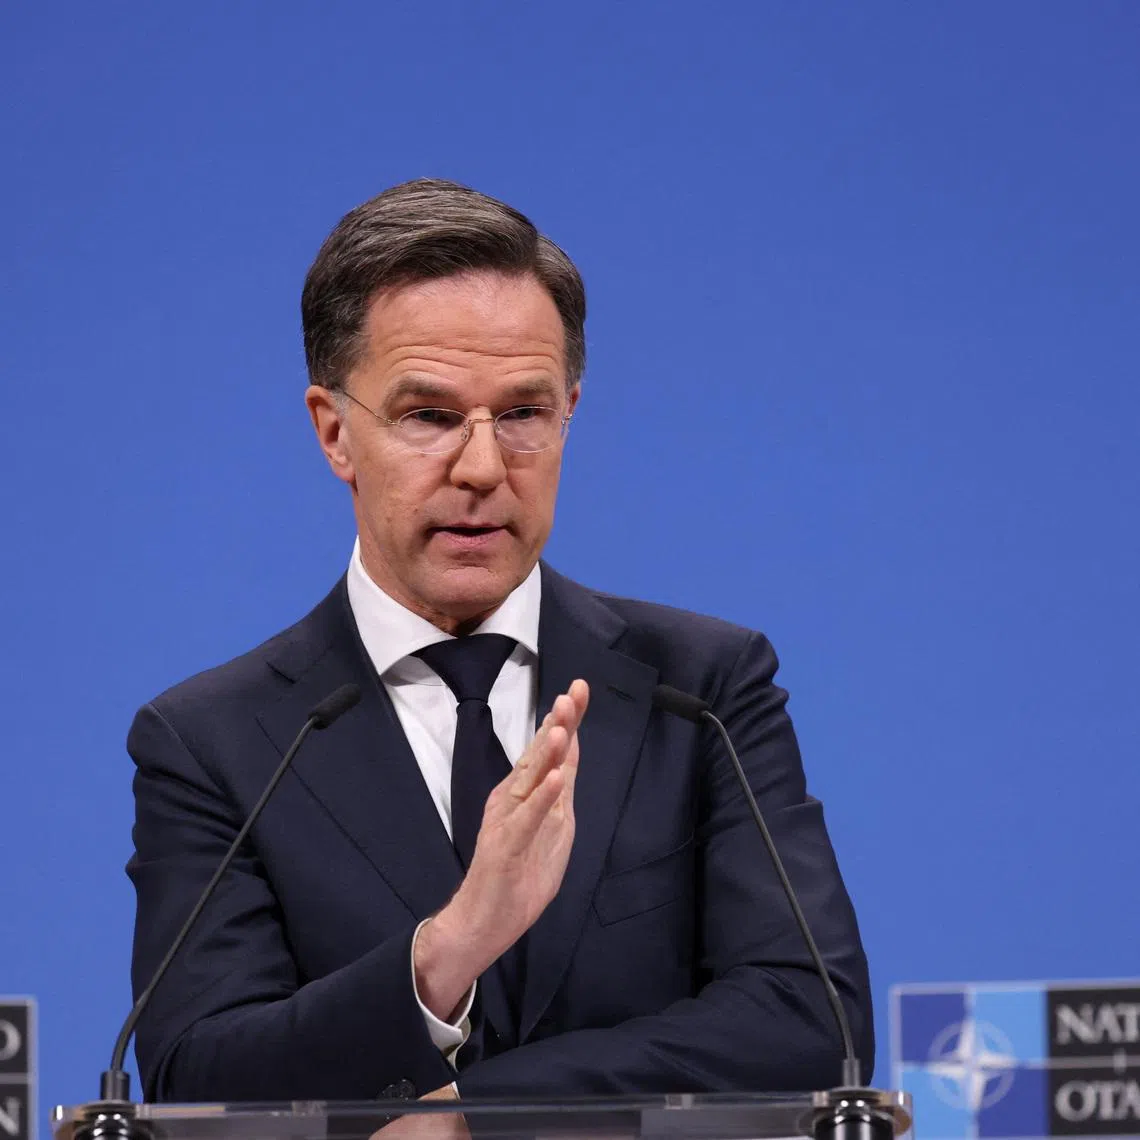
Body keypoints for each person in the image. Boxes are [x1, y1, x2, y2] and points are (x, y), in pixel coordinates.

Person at [126, 178, 873, 1104]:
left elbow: (812, 1020)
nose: (483, 468)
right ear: (334, 433)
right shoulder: (217, 742)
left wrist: (481, 1116)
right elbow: (196, 1076)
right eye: (430, 416)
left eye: (523, 414)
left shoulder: (704, 690)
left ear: (570, 413)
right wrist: (443, 957)